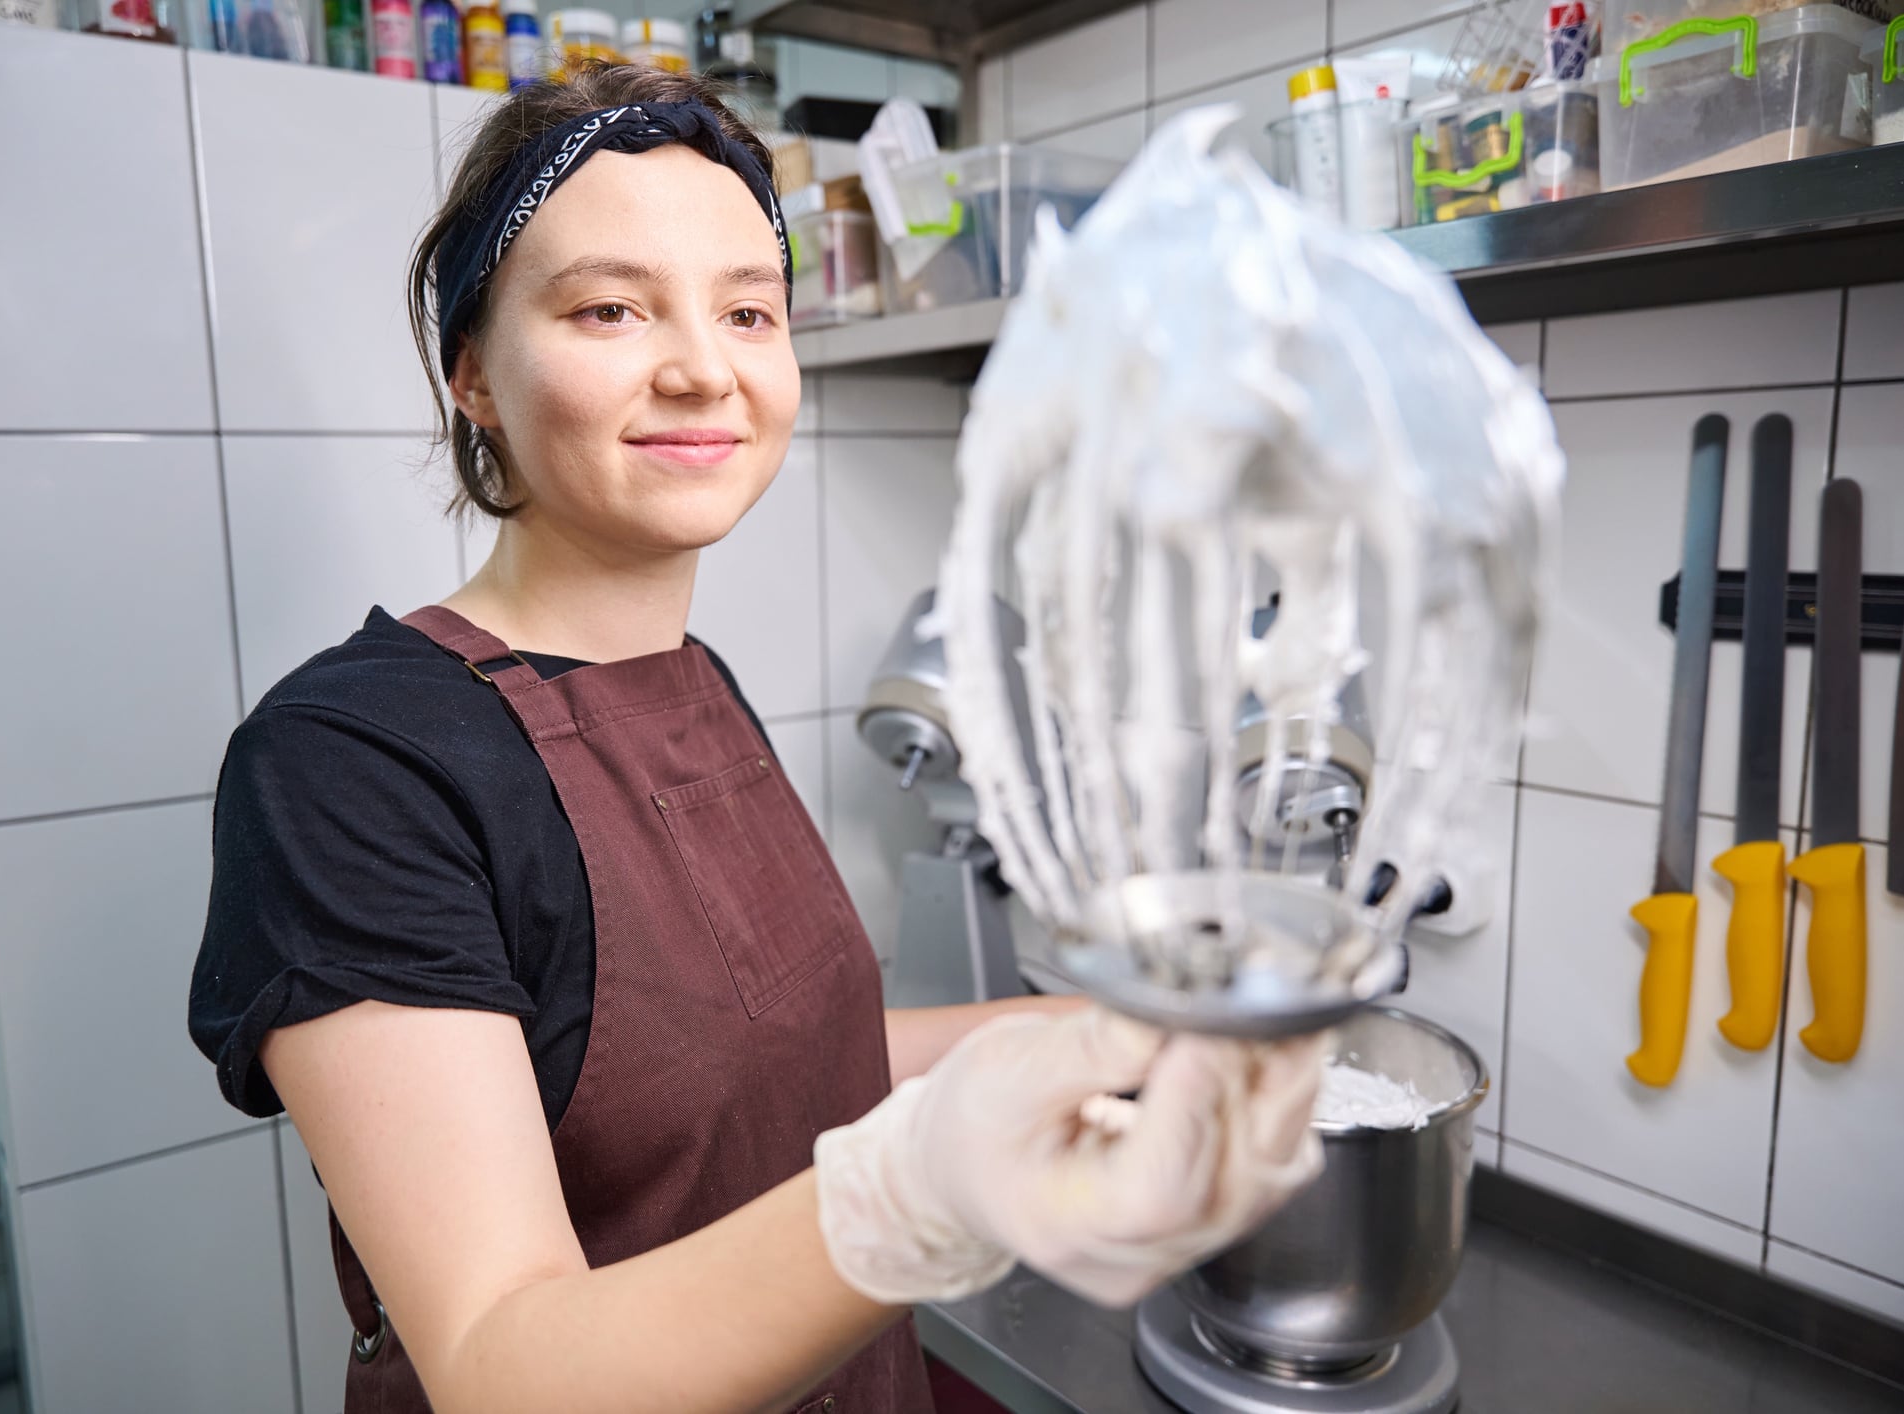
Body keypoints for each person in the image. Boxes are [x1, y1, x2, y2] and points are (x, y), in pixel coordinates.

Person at [189, 63, 1323, 1414]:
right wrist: (919, 1191)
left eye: (747, 309)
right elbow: (503, 1362)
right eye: (609, 308)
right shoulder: (352, 761)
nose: (700, 367)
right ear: (473, 374)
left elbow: (792, 1054)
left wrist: (1104, 1025)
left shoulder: (696, 681)